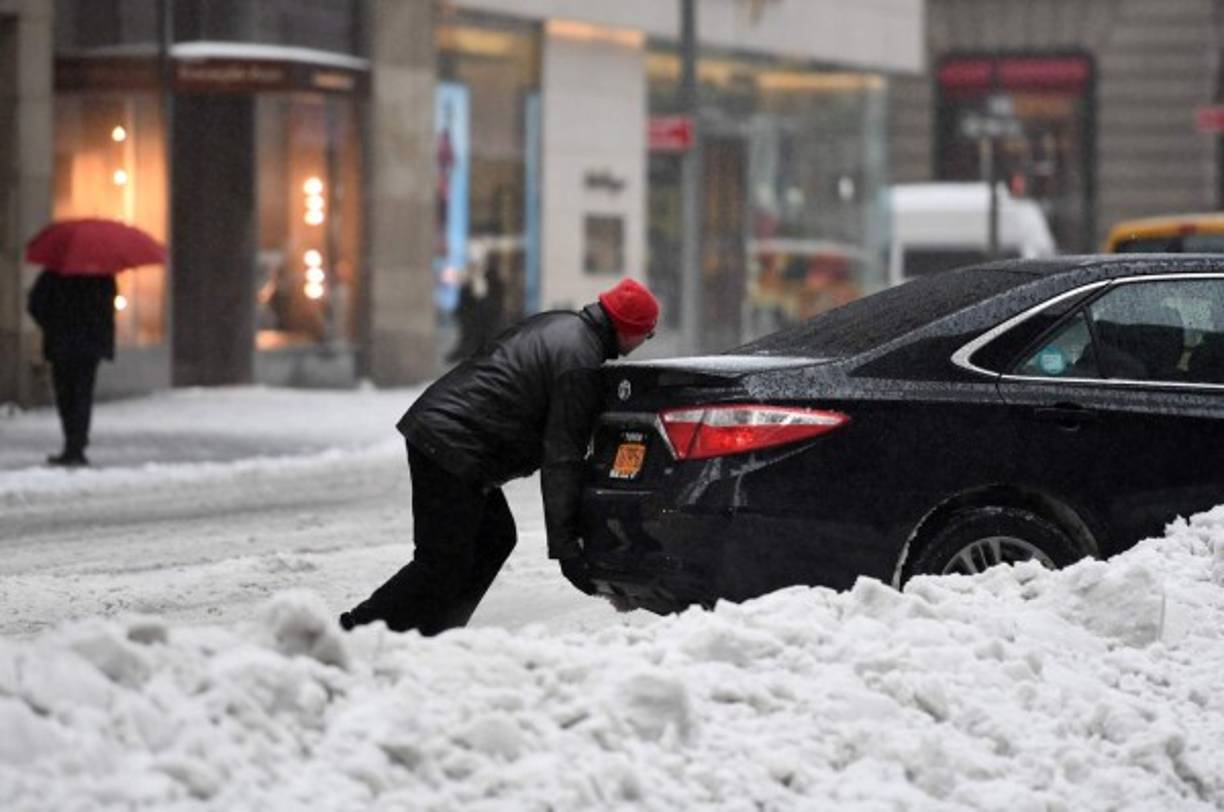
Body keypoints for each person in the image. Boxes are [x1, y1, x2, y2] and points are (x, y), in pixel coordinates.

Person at [340, 278, 660, 635]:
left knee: (494, 539)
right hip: (452, 441)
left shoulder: (560, 324)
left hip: (450, 434)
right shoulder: (579, 361)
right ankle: (358, 629)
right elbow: (562, 459)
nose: (644, 343)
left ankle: (441, 631)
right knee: (442, 560)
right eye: (647, 334)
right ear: (630, 329)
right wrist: (568, 552)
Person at [25, 268, 117, 467]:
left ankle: (73, 444)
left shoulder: (54, 274)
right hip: (87, 345)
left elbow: (35, 305)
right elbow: (108, 308)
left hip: (62, 343)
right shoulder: (102, 276)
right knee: (81, 394)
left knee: (66, 394)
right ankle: (77, 444)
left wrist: (52, 324)